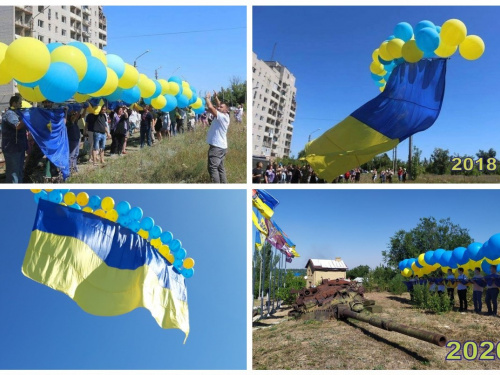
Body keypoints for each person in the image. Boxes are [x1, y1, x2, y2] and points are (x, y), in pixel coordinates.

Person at [205, 90, 230, 183]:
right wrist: (216, 98)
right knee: (220, 168)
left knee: (212, 167)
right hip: (222, 147)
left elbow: (211, 108)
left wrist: (207, 98)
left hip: (217, 147)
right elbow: (220, 105)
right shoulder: (226, 115)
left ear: (226, 110)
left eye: (221, 107)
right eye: (219, 106)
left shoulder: (222, 117)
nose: (219, 107)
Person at [1, 95, 26, 183]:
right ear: (14, 103)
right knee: (13, 174)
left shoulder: (17, 113)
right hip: (12, 149)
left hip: (19, 147)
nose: (21, 105)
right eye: (20, 103)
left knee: (19, 171)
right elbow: (17, 126)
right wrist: (27, 118)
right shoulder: (10, 114)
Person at [66, 109, 82, 174]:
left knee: (76, 154)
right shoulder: (69, 123)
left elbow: (78, 115)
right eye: (73, 115)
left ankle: (74, 167)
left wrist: (80, 107)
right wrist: (67, 111)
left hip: (77, 139)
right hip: (72, 140)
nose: (75, 115)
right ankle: (69, 169)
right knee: (71, 155)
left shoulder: (75, 122)